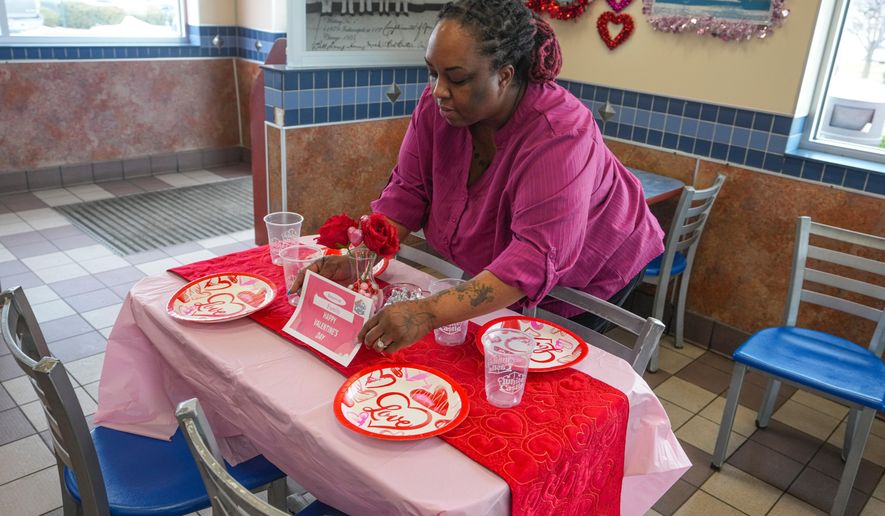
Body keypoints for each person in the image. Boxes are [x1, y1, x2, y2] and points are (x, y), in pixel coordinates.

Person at [294, 0, 664, 355]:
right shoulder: (437, 108)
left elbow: (534, 256)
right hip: (517, 269)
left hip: (595, 263)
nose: (438, 91)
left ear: (504, 76)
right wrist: (357, 259)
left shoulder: (559, 132)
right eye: (432, 72)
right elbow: (408, 192)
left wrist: (426, 313)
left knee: (542, 367)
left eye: (456, 78)